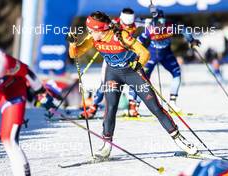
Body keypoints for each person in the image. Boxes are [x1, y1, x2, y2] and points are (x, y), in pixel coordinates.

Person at [68, 11, 198, 159]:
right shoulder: (93, 38)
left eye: (92, 30)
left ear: (102, 29)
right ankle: (106, 145)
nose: (89, 32)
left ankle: (179, 139)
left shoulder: (121, 36)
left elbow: (144, 53)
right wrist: (72, 44)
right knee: (110, 109)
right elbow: (75, 54)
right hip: (113, 75)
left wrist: (138, 64)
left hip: (132, 73)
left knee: (155, 107)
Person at [0, 44, 56, 176]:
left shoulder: (4, 60)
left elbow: (28, 73)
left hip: (12, 89)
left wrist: (40, 92)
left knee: (9, 139)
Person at [129, 8, 201, 113]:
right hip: (152, 56)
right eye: (159, 22)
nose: (161, 26)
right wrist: (135, 54)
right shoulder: (149, 29)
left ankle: (172, 103)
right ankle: (136, 106)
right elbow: (139, 42)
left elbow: (183, 29)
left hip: (167, 54)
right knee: (143, 79)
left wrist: (191, 40)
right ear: (154, 21)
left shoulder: (170, 26)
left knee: (177, 74)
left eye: (163, 22)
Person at [79, 8, 139, 118]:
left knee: (135, 81)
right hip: (111, 56)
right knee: (104, 82)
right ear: (121, 18)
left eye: (130, 23)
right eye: (126, 22)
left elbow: (153, 23)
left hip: (128, 56)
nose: (128, 25)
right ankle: (93, 107)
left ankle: (132, 107)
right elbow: (101, 31)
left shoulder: (137, 22)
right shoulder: (114, 22)